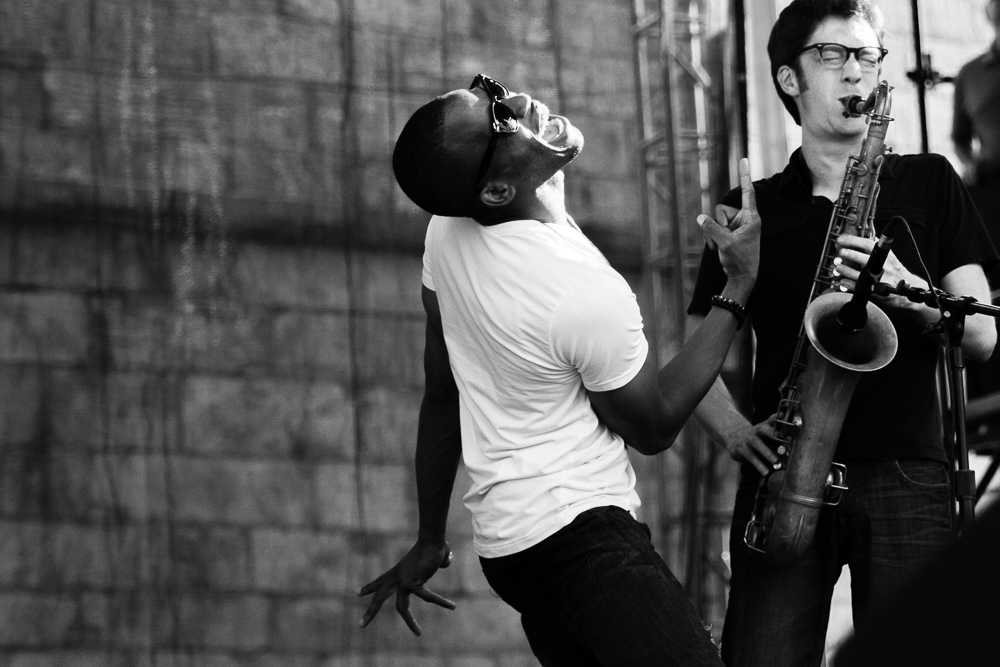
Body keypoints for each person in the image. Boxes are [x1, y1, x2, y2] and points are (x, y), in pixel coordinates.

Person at [355, 73, 761, 666]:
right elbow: (653, 427)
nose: (518, 100)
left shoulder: (445, 232)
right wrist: (739, 285)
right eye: (500, 117)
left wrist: (429, 537)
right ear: (495, 191)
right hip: (579, 536)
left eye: (489, 88)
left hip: (511, 553)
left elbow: (442, 395)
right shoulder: (580, 292)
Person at [687, 2, 999, 666]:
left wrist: (909, 293)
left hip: (911, 477)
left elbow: (982, 337)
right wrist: (737, 431)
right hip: (783, 474)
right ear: (790, 80)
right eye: (834, 55)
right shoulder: (754, 210)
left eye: (866, 56)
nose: (856, 70)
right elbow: (690, 355)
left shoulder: (929, 181)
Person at [953, 0, 1000, 400]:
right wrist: (969, 163)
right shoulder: (971, 73)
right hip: (989, 191)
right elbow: (958, 137)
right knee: (990, 285)